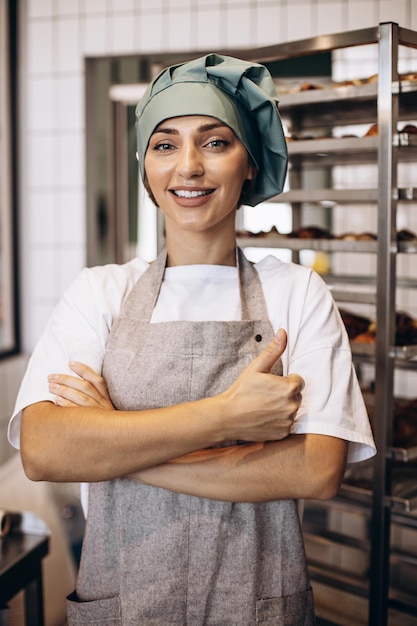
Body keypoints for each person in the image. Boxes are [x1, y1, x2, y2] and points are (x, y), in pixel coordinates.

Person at [9, 54, 376, 625]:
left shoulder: (298, 292)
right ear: (145, 167)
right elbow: (44, 450)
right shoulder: (100, 292)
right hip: (124, 606)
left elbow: (315, 470)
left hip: (260, 607)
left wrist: (115, 451)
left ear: (249, 164)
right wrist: (225, 418)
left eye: (214, 143)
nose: (188, 168)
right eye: (164, 145)